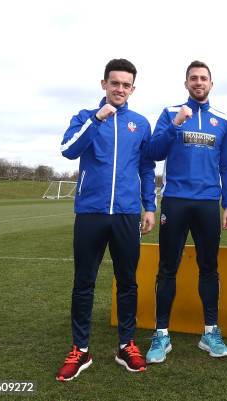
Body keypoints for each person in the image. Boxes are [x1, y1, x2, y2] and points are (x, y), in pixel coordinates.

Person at [57, 58, 156, 381]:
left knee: (127, 282)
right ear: (104, 84)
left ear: (133, 89)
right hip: (90, 212)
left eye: (126, 85)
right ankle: (80, 349)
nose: (120, 89)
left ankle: (126, 344)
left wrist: (149, 207)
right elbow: (68, 150)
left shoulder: (140, 123)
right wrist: (97, 119)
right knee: (83, 282)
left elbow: (145, 168)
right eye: (115, 83)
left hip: (126, 214)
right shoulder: (85, 117)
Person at [144, 61, 227, 361]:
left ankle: (210, 332)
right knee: (167, 267)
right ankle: (161, 335)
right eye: (193, 78)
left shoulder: (222, 120)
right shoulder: (171, 113)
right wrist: (175, 126)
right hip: (176, 200)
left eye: (204, 78)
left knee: (209, 267)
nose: (199, 82)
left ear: (211, 84)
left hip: (209, 202)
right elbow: (154, 152)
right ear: (186, 84)